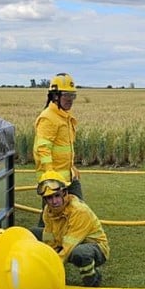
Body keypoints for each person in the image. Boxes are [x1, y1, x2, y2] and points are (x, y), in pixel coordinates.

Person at [32, 170, 109, 287]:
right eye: (49, 198)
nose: (54, 202)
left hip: (94, 247)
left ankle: (93, 280)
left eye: (57, 196)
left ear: (65, 193)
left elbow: (68, 247)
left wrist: (51, 269)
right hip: (64, 241)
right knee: (32, 233)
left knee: (79, 253)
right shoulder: (48, 212)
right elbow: (50, 241)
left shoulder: (80, 211)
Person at [34, 73, 82, 225]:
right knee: (50, 218)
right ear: (55, 96)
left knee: (78, 210)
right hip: (53, 179)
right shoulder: (49, 118)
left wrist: (71, 168)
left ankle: (73, 237)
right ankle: (38, 243)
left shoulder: (64, 116)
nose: (70, 100)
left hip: (68, 176)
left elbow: (65, 148)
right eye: (67, 95)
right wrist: (50, 178)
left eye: (73, 96)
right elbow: (43, 149)